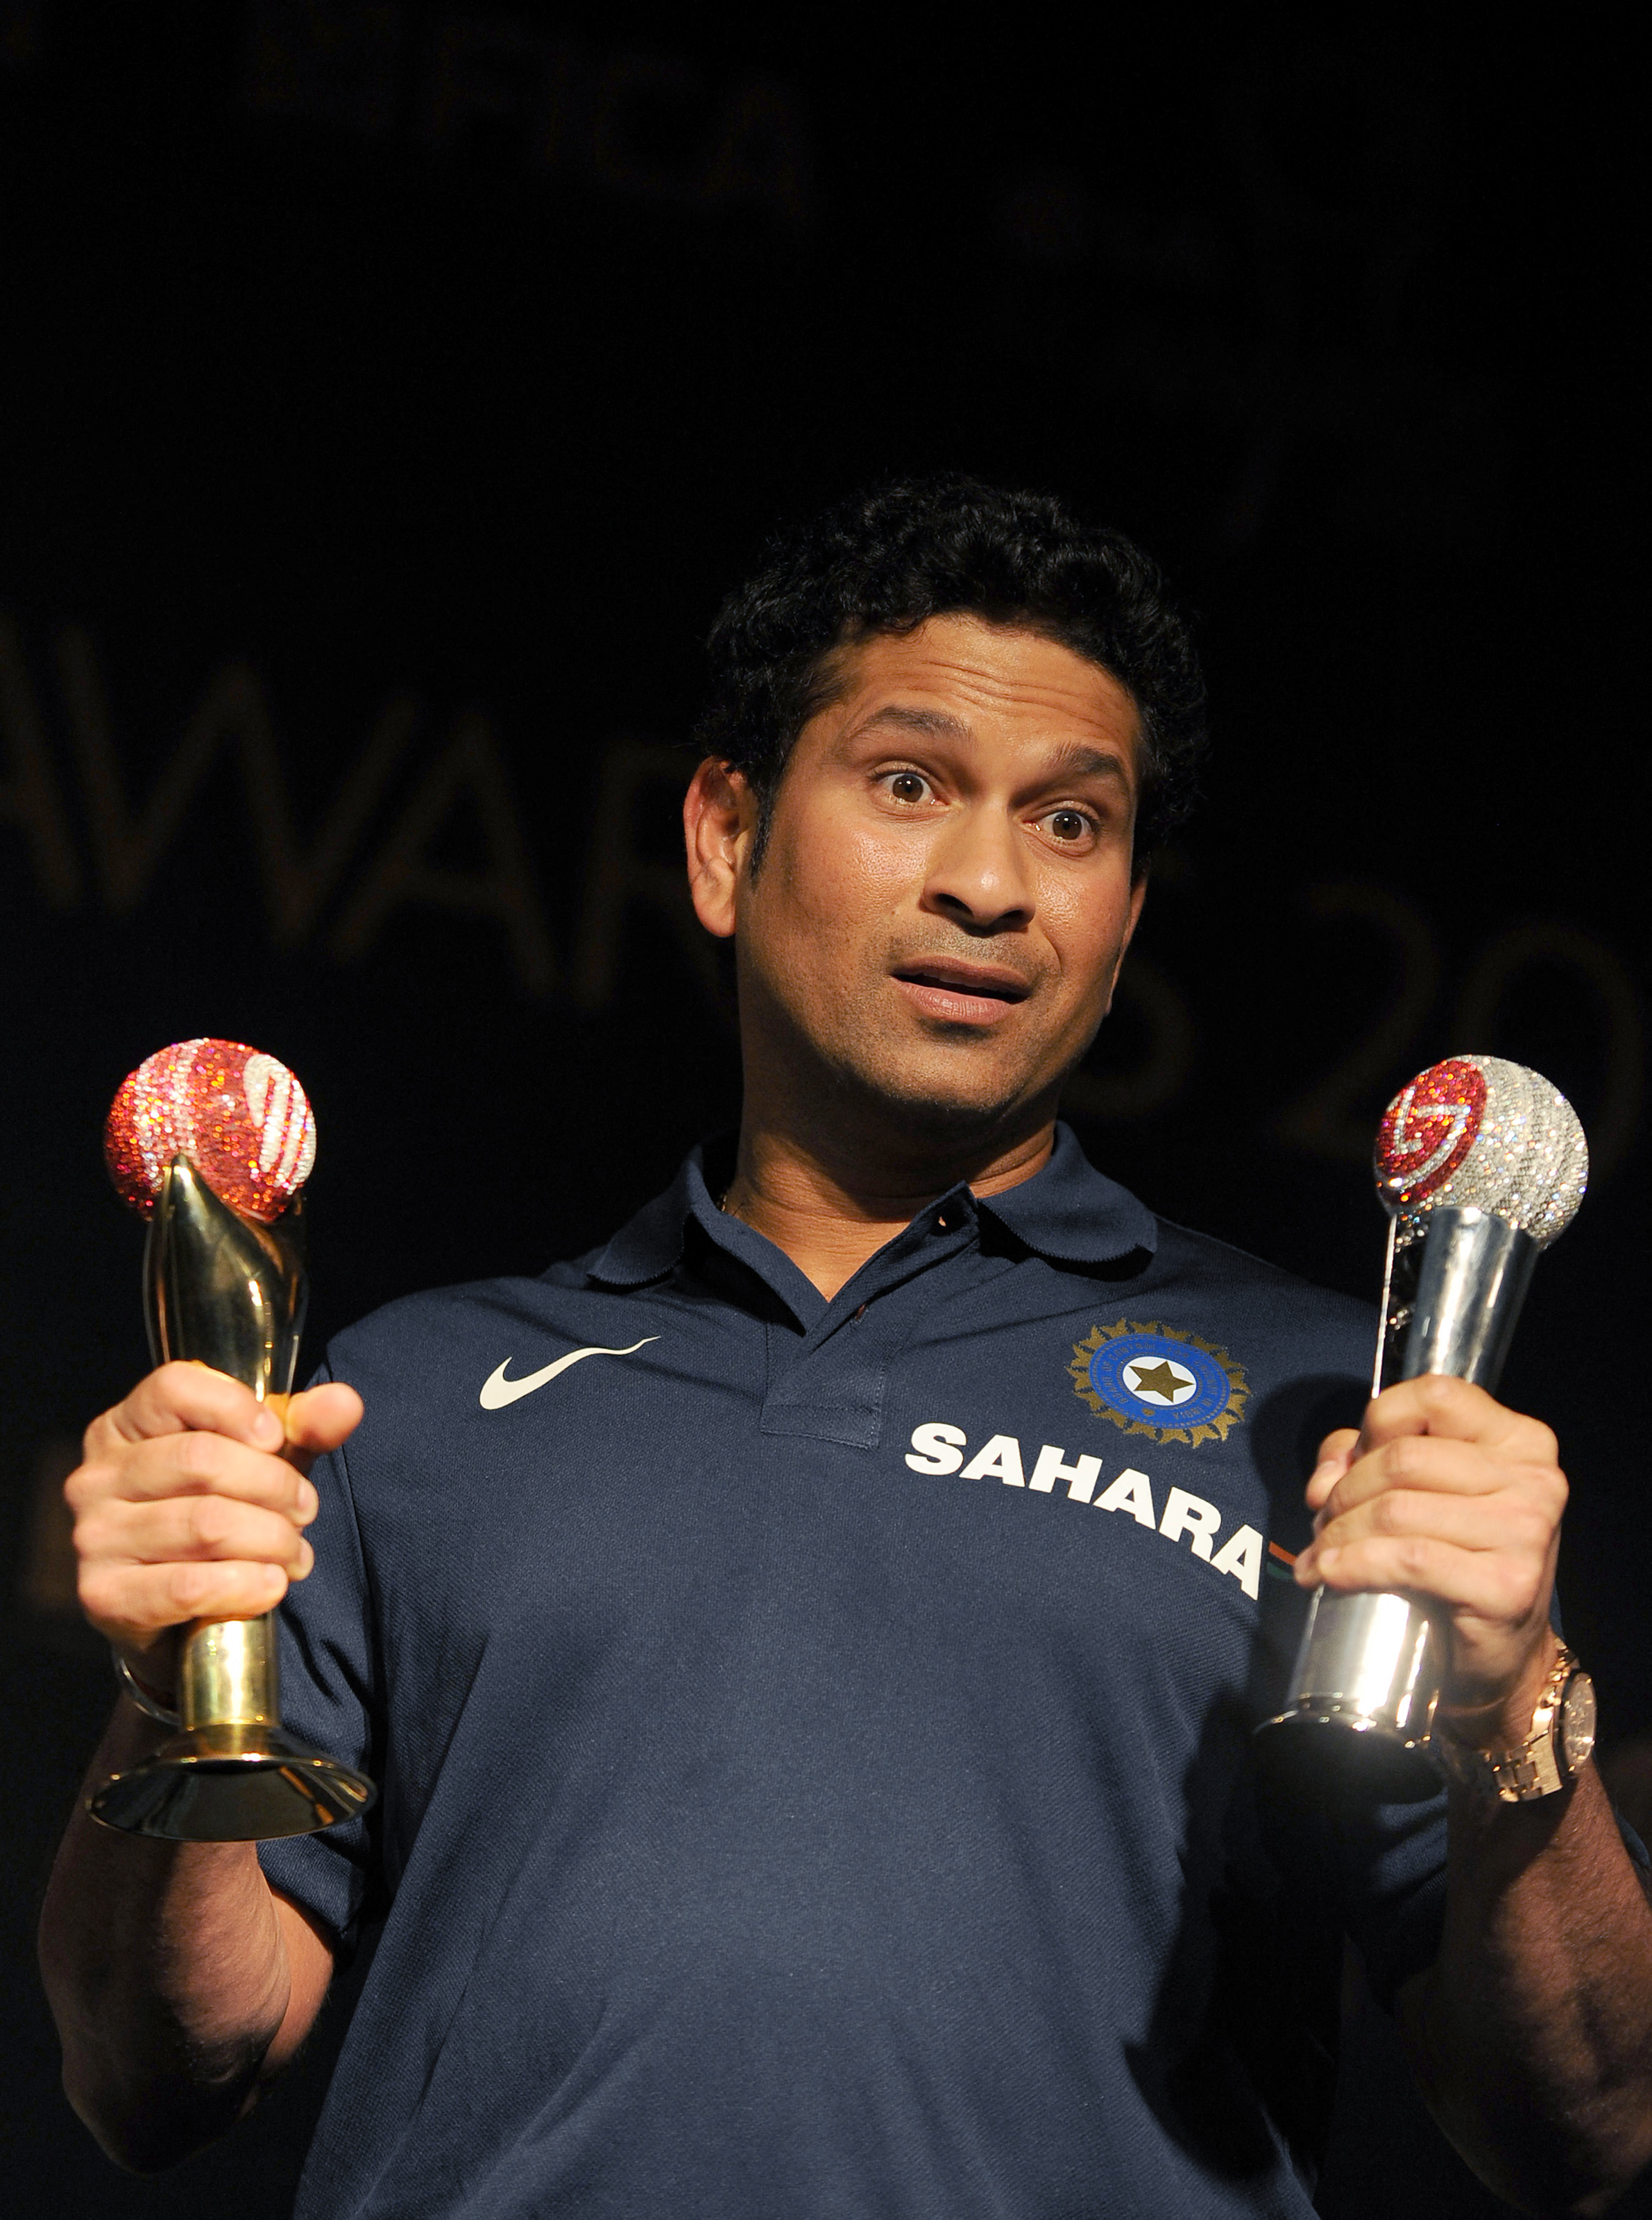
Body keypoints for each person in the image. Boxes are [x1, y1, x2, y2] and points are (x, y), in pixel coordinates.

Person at [39, 479, 1652, 2219]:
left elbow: (1588, 2128)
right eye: (910, 785)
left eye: (1073, 823)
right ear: (725, 837)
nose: (989, 883)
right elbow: (156, 2066)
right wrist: (159, 1687)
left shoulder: (1329, 1415)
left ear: (1124, 916)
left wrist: (1520, 1709)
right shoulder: (408, 1399)